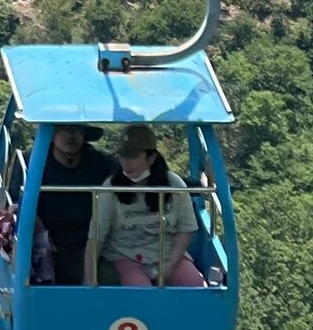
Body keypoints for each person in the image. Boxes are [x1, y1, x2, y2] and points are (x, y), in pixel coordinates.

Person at [86, 128, 204, 287]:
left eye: (133, 156)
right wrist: (89, 279)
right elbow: (96, 237)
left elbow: (186, 229)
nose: (126, 162)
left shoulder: (174, 185)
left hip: (166, 253)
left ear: (152, 157)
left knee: (194, 283)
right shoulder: (111, 188)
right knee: (140, 290)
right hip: (126, 255)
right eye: (123, 156)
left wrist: (170, 265)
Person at [29, 123, 116, 286]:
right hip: (45, 247)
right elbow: (14, 205)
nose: (70, 135)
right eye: (63, 129)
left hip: (90, 246)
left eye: (76, 130)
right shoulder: (33, 164)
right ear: (52, 135)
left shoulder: (103, 164)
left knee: (109, 278)